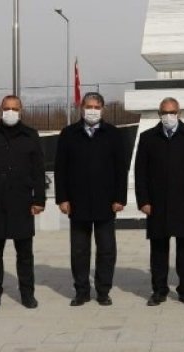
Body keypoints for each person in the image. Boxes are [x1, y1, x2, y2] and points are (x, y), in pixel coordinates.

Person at [0, 95, 46, 311]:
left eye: (14, 108)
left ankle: (27, 294)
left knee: (25, 254)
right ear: (0, 110)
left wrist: (39, 199)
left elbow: (38, 171)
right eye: (7, 108)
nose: (10, 112)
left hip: (22, 203)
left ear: (21, 110)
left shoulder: (30, 135)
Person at [55, 92, 129, 307]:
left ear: (103, 109)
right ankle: (81, 291)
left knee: (106, 249)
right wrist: (63, 198)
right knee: (79, 250)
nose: (93, 110)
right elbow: (61, 169)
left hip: (106, 202)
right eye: (89, 106)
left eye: (97, 106)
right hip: (77, 203)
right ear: (81, 107)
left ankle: (103, 290)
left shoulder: (113, 134)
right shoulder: (69, 134)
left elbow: (120, 169)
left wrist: (120, 198)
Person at [134, 97, 184, 306]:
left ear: (179, 113)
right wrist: (143, 200)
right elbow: (141, 171)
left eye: (172, 112)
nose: (168, 116)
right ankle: (159, 290)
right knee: (158, 249)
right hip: (157, 203)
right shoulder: (148, 137)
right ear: (159, 114)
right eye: (164, 112)